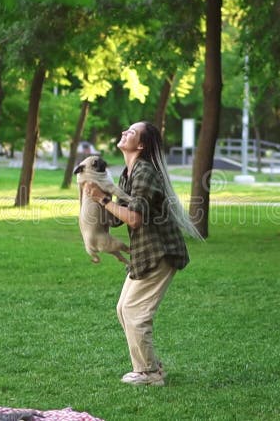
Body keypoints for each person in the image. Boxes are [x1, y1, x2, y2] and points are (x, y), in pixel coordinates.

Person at [83, 121, 201, 386]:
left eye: (132, 132)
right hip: (145, 253)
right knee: (124, 309)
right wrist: (94, 198)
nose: (124, 132)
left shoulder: (144, 172)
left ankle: (148, 373)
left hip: (160, 252)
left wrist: (103, 200)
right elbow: (117, 220)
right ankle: (152, 367)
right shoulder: (128, 173)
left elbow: (134, 219)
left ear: (141, 145)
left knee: (135, 312)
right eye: (125, 129)